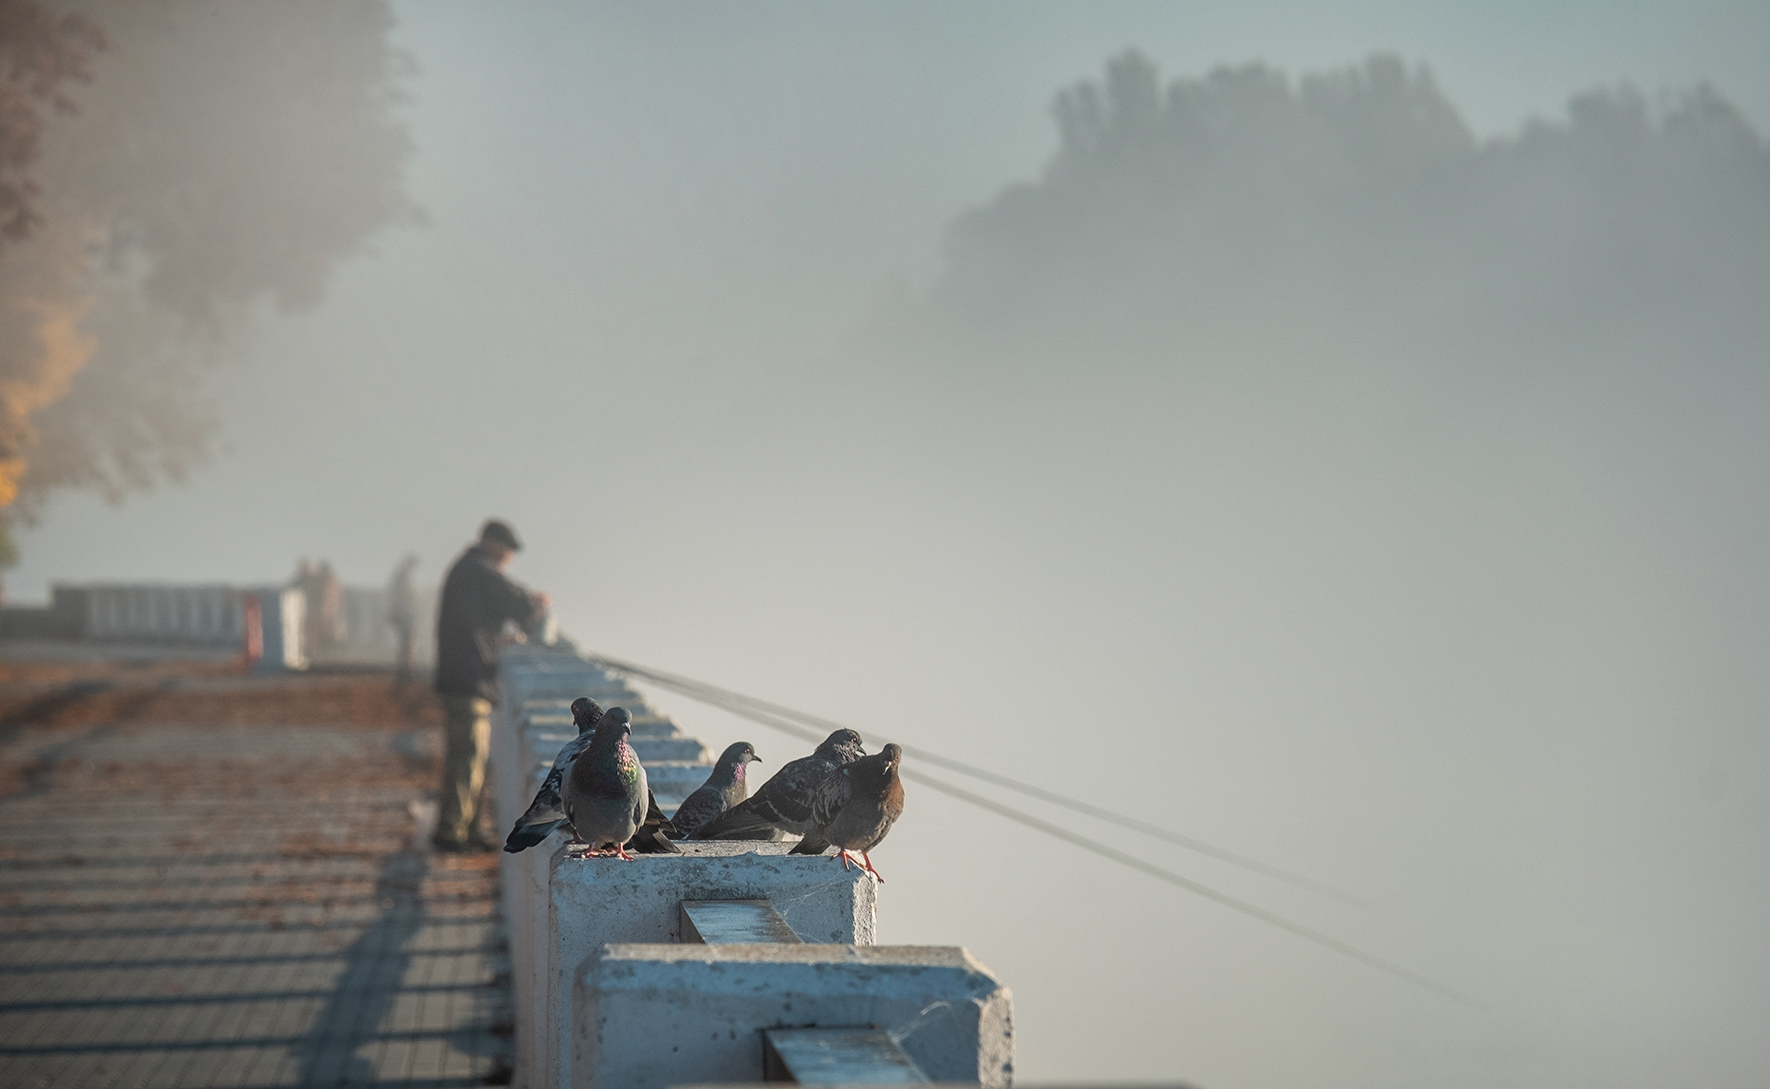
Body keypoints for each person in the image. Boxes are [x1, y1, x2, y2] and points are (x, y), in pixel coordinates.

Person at [432, 520, 551, 852]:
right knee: (468, 757)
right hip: (468, 681)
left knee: (471, 758)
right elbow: (519, 604)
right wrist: (538, 603)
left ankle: (466, 829)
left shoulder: (465, 569)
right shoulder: (477, 571)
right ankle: (452, 833)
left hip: (463, 678)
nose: (509, 559)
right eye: (508, 551)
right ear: (494, 545)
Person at [386, 553, 420, 684]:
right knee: (407, 643)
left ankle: (405, 668)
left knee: (405, 643)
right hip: (405, 615)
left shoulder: (400, 575)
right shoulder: (404, 577)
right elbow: (408, 597)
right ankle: (406, 669)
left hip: (402, 615)